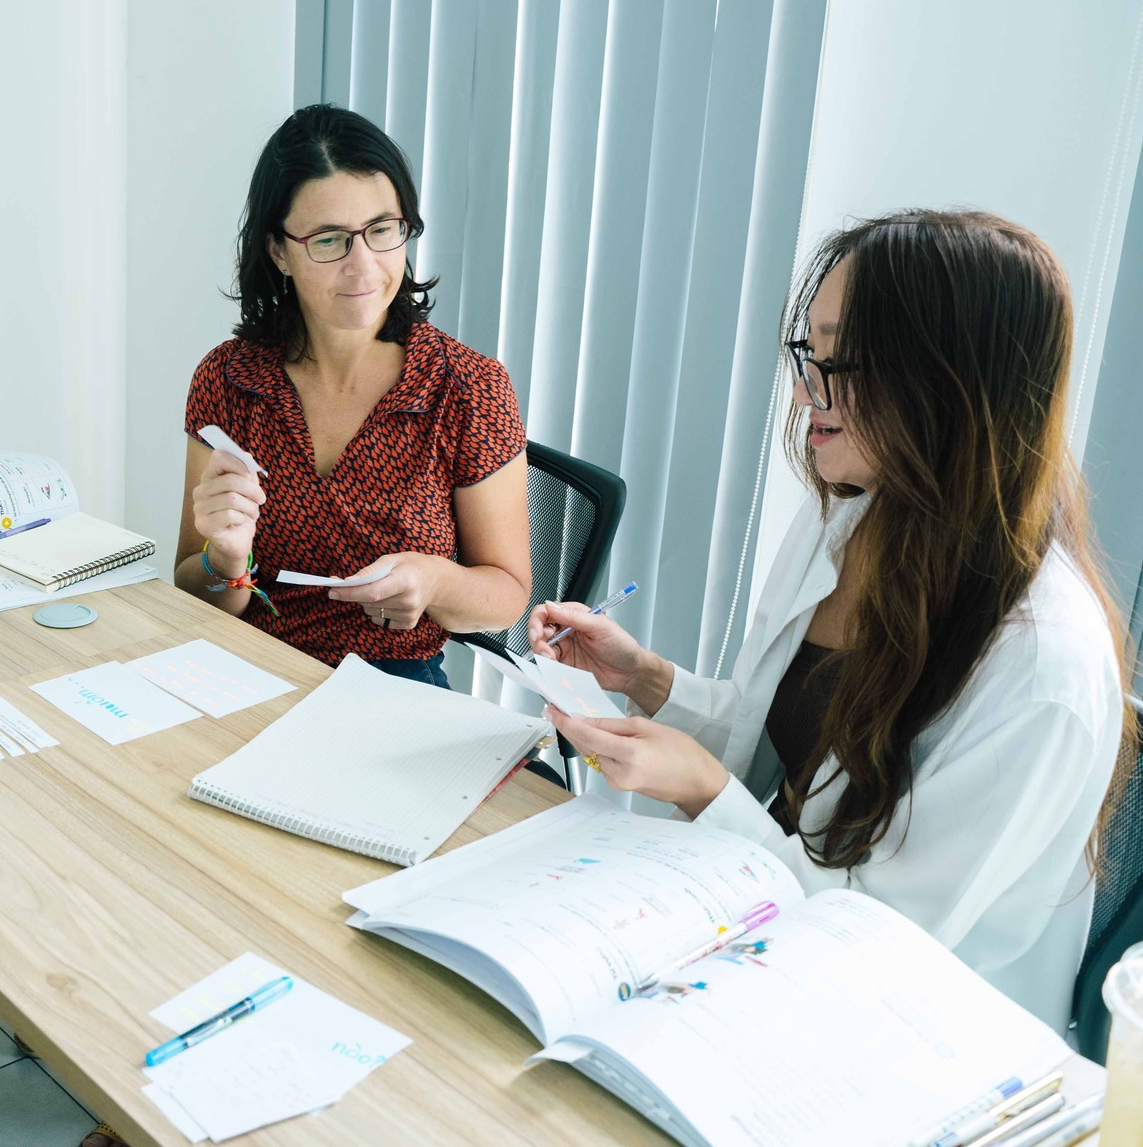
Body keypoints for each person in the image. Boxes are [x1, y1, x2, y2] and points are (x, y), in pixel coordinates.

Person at [533, 209, 1133, 1032]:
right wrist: (646, 679)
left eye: (841, 360)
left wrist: (704, 789)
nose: (804, 390)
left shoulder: (1042, 668)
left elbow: (881, 935)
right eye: (808, 354)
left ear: (952, 381)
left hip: (903, 1030)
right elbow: (782, 743)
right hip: (758, 938)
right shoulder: (849, 515)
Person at [173, 104, 531, 687]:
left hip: (392, 681)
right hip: (246, 668)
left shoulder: (468, 389)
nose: (363, 266)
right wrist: (225, 560)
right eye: (329, 239)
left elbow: (508, 597)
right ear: (279, 251)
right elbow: (194, 593)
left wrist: (434, 581)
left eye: (382, 230)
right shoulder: (229, 380)